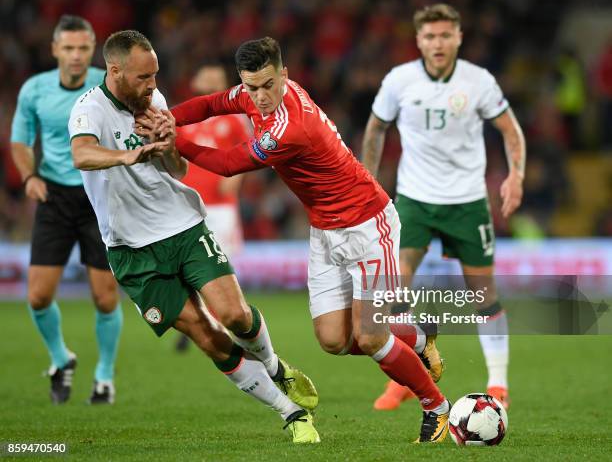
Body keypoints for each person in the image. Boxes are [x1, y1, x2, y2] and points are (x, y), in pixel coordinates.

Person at [140, 36, 452, 444]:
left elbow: (230, 164)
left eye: (268, 85)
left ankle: (437, 408)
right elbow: (212, 104)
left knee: (372, 336)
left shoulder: (292, 126)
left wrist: (172, 138)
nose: (260, 96)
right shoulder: (252, 93)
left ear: (284, 75)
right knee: (334, 340)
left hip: (367, 224)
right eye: (251, 87)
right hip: (325, 230)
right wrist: (169, 118)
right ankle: (417, 335)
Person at [68, 30, 320, 444]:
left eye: (155, 76)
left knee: (235, 315)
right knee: (208, 336)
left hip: (182, 225)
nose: (152, 86)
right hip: (132, 250)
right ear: (115, 71)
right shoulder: (88, 110)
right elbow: (82, 154)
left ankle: (275, 366)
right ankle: (290, 412)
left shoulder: (155, 102)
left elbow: (178, 171)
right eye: (143, 78)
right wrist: (129, 155)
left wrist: (166, 145)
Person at [361, 3, 526, 410]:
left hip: (467, 202)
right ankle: (408, 374)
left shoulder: (478, 81)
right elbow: (375, 128)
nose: (438, 43)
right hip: (416, 200)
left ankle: (499, 384)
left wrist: (516, 175)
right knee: (395, 290)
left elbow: (511, 131)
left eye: (445, 35)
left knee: (483, 295)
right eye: (430, 36)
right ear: (419, 40)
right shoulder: (400, 80)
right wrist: (366, 181)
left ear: (458, 38)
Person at [10, 15, 122, 405]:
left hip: (98, 196)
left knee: (105, 298)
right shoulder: (34, 89)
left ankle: (104, 376)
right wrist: (29, 176)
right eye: (68, 48)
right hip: (53, 196)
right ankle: (62, 358)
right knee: (38, 296)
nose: (76, 56)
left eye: (83, 48)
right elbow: (21, 142)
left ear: (92, 50)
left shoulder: (107, 85)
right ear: (55, 49)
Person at [175, 63, 251, 352]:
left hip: (220, 205)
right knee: (190, 265)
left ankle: (224, 321)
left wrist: (237, 179)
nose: (211, 80)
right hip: (189, 202)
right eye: (206, 75)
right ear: (195, 80)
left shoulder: (233, 118)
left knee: (221, 264)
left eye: (216, 77)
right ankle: (203, 318)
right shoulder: (185, 116)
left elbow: (250, 147)